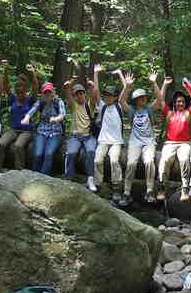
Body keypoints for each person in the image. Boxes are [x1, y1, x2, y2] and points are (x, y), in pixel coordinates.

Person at [120, 71, 163, 205]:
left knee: (149, 162)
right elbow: (121, 101)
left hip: (149, 142)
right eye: (140, 97)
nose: (143, 99)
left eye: (144, 97)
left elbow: (160, 99)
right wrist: (127, 86)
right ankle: (126, 192)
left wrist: (154, 82)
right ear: (136, 100)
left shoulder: (149, 109)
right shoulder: (132, 111)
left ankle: (149, 190)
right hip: (134, 142)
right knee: (131, 163)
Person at [158, 76, 191, 202]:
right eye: (178, 101)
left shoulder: (188, 113)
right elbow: (160, 100)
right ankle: (162, 187)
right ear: (174, 103)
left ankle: (185, 187)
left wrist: (189, 88)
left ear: (185, 104)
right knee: (165, 160)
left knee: (184, 159)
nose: (180, 103)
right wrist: (165, 84)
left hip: (185, 143)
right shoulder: (169, 113)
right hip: (170, 143)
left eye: (182, 101)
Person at [90, 64, 128, 200]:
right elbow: (95, 91)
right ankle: (98, 183)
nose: (107, 97)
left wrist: (120, 74)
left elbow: (126, 88)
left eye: (110, 95)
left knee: (114, 160)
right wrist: (96, 73)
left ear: (115, 97)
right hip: (103, 140)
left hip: (116, 141)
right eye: (106, 95)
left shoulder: (119, 106)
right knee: (97, 160)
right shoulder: (103, 106)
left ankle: (116, 186)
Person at [0, 60, 39, 172]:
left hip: (27, 131)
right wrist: (5, 69)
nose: (19, 91)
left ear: (25, 89)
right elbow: (6, 86)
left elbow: (35, 87)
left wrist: (33, 73)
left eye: (22, 89)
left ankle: (19, 171)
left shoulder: (30, 100)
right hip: (13, 130)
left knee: (18, 146)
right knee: (1, 144)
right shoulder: (13, 98)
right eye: (17, 88)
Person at [21, 81, 66, 175]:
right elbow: (32, 110)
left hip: (56, 132)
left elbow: (62, 114)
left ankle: (43, 177)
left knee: (49, 154)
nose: (48, 94)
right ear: (42, 93)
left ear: (53, 92)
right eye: (45, 92)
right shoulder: (40, 102)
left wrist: (56, 118)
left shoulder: (58, 102)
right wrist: (27, 117)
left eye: (49, 92)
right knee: (38, 154)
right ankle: (35, 175)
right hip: (42, 131)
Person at [62, 74, 98, 182]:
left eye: (81, 93)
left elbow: (94, 97)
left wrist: (92, 87)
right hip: (75, 136)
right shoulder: (74, 106)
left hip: (89, 136)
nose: (79, 96)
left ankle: (90, 178)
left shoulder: (89, 105)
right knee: (71, 153)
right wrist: (68, 87)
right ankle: (69, 177)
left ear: (85, 94)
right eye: (77, 94)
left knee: (91, 152)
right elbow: (68, 96)